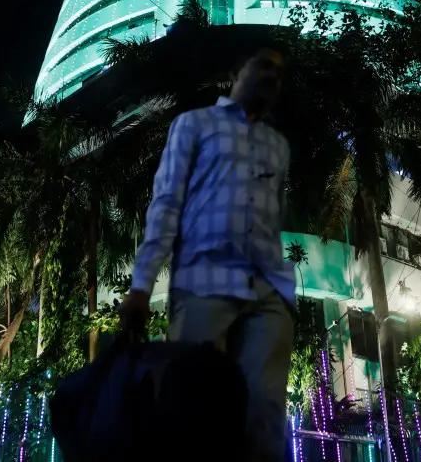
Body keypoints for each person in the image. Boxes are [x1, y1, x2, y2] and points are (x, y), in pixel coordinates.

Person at [120, 48, 294, 462]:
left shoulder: (278, 145)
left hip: (268, 291)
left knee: (265, 416)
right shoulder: (194, 124)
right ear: (237, 73)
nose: (273, 75)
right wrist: (141, 286)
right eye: (263, 65)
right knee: (190, 412)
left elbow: (275, 215)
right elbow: (166, 203)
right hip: (204, 280)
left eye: (280, 74)